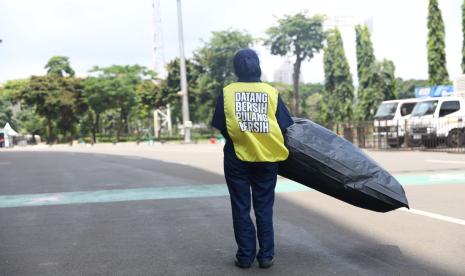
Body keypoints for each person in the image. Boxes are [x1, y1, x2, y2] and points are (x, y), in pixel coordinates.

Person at [211, 48, 293, 269]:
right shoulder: (271, 92)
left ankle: (245, 256)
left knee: (240, 206)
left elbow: (222, 125)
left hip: (236, 156)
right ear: (258, 65)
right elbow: (285, 126)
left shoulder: (227, 92)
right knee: (264, 207)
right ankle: (266, 256)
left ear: (236, 68)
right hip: (267, 158)